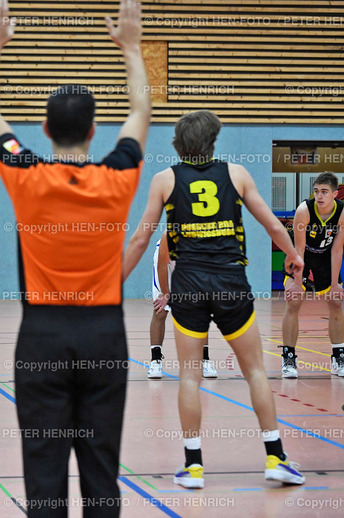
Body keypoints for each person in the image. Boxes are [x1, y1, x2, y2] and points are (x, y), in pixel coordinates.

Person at [0, 1, 150, 516]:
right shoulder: (118, 177)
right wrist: (132, 47)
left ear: (45, 132)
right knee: (102, 472)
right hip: (103, 336)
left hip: (42, 337)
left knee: (44, 474)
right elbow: (140, 111)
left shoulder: (27, 176)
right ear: (95, 131)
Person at [123, 110, 305, 489]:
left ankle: (192, 466)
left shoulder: (164, 180)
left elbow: (141, 239)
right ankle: (275, 458)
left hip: (188, 283)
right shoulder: (236, 174)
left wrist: (112, 285)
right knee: (255, 370)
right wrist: (294, 255)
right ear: (213, 141)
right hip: (230, 283)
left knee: (189, 374)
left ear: (179, 142)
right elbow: (272, 223)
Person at [280, 172, 344, 378]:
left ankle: (338, 357)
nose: (319, 196)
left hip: (325, 257)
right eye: (316, 191)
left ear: (335, 194)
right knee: (294, 300)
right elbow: (298, 250)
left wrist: (335, 284)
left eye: (324, 192)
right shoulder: (304, 210)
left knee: (335, 301)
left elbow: (336, 250)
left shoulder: (342, 213)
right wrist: (297, 283)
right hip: (300, 255)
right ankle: (289, 358)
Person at [148, 230, 217, 379]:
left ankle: (204, 360)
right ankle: (155, 360)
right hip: (165, 261)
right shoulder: (171, 233)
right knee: (161, 309)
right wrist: (166, 293)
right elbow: (161, 265)